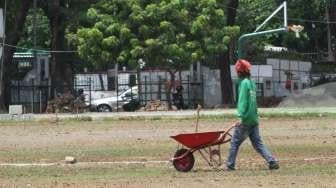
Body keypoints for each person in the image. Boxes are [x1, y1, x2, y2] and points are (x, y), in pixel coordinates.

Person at [226, 59, 279, 171]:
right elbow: (253, 102)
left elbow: (242, 101)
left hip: (245, 120)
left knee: (234, 143)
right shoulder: (251, 82)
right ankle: (272, 161)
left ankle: (230, 165)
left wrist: (240, 117)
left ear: (239, 72)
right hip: (254, 119)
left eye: (237, 71)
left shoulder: (243, 83)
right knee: (258, 144)